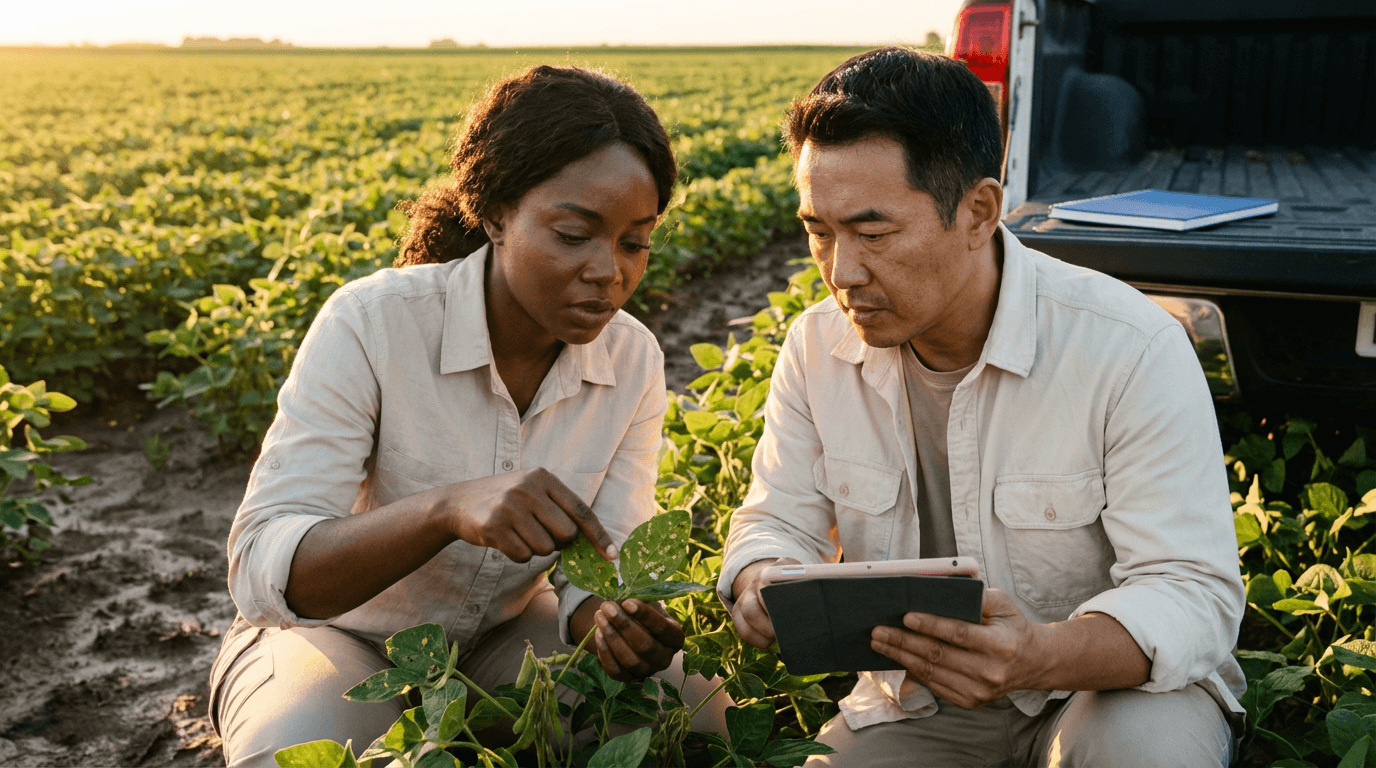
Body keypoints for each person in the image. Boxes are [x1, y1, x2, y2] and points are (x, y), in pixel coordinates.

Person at [720, 47, 1246, 767]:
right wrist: (760, 579)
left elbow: (1193, 593)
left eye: (873, 234)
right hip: (920, 701)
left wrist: (1041, 654)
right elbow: (774, 518)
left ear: (978, 211)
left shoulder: (1129, 346)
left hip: (1110, 692)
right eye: (819, 232)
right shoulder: (816, 349)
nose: (841, 272)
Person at [208, 65, 726, 767]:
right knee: (309, 756)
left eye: (635, 241)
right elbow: (267, 566)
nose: (610, 271)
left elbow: (599, 569)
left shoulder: (631, 359)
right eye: (575, 235)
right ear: (495, 214)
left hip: (507, 638)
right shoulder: (373, 323)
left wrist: (610, 622)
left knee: (696, 720)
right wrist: (445, 509)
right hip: (333, 639)